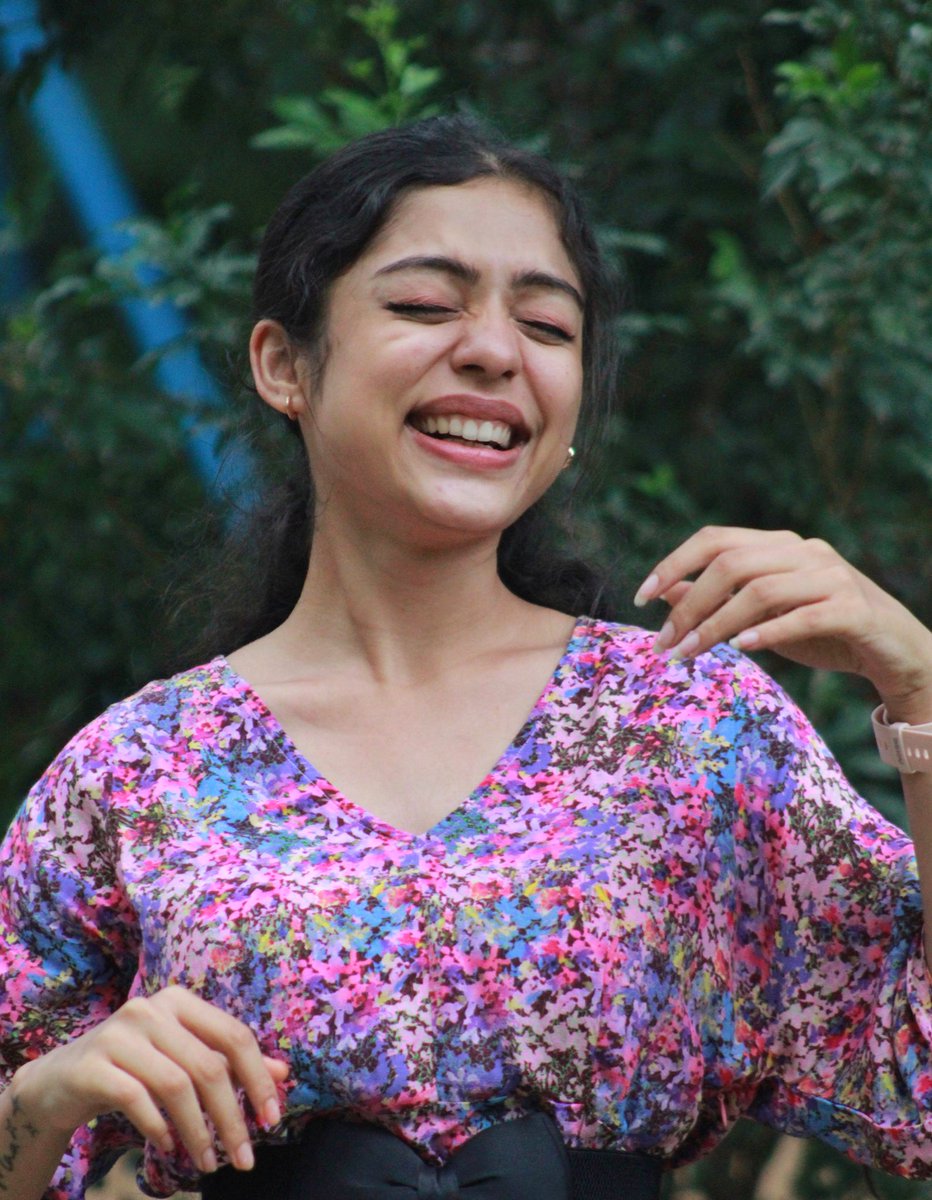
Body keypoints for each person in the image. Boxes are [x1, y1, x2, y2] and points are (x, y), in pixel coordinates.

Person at [1, 114, 932, 1200]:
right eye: (424, 305)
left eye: (545, 324)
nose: (493, 350)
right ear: (283, 365)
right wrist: (45, 1103)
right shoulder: (137, 769)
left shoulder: (694, 720)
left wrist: (920, 687)